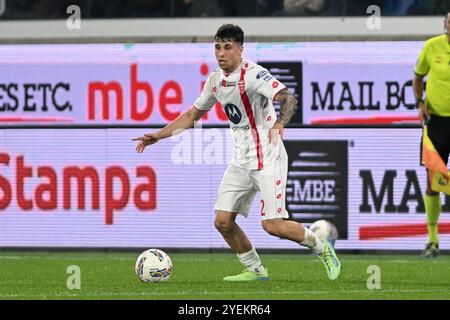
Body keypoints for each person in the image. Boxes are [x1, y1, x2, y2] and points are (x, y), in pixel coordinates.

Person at [132, 24, 341, 281]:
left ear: (241, 49)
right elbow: (192, 115)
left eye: (228, 47)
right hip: (241, 160)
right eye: (218, 47)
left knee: (272, 226)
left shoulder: (254, 75)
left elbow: (288, 98)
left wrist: (279, 123)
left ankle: (322, 247)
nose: (221, 53)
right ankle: (255, 270)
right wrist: (159, 135)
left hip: (268, 158)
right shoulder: (215, 80)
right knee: (222, 221)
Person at [413, 12, 450, 258]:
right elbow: (418, 77)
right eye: (449, 22)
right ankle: (433, 240)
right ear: (446, 25)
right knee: (433, 181)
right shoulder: (432, 46)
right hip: (436, 122)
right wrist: (419, 103)